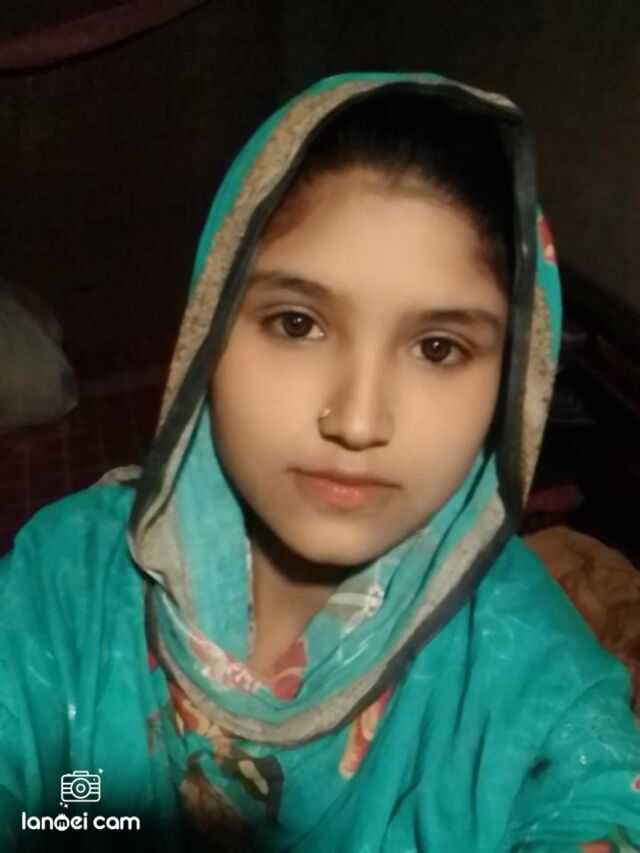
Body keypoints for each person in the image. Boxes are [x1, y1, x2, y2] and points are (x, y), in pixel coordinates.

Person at [1, 72, 639, 852]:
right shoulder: (63, 586)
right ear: (208, 329)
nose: (358, 419)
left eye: (439, 348)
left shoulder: (534, 677)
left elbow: (598, 800)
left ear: (510, 386)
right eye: (297, 323)